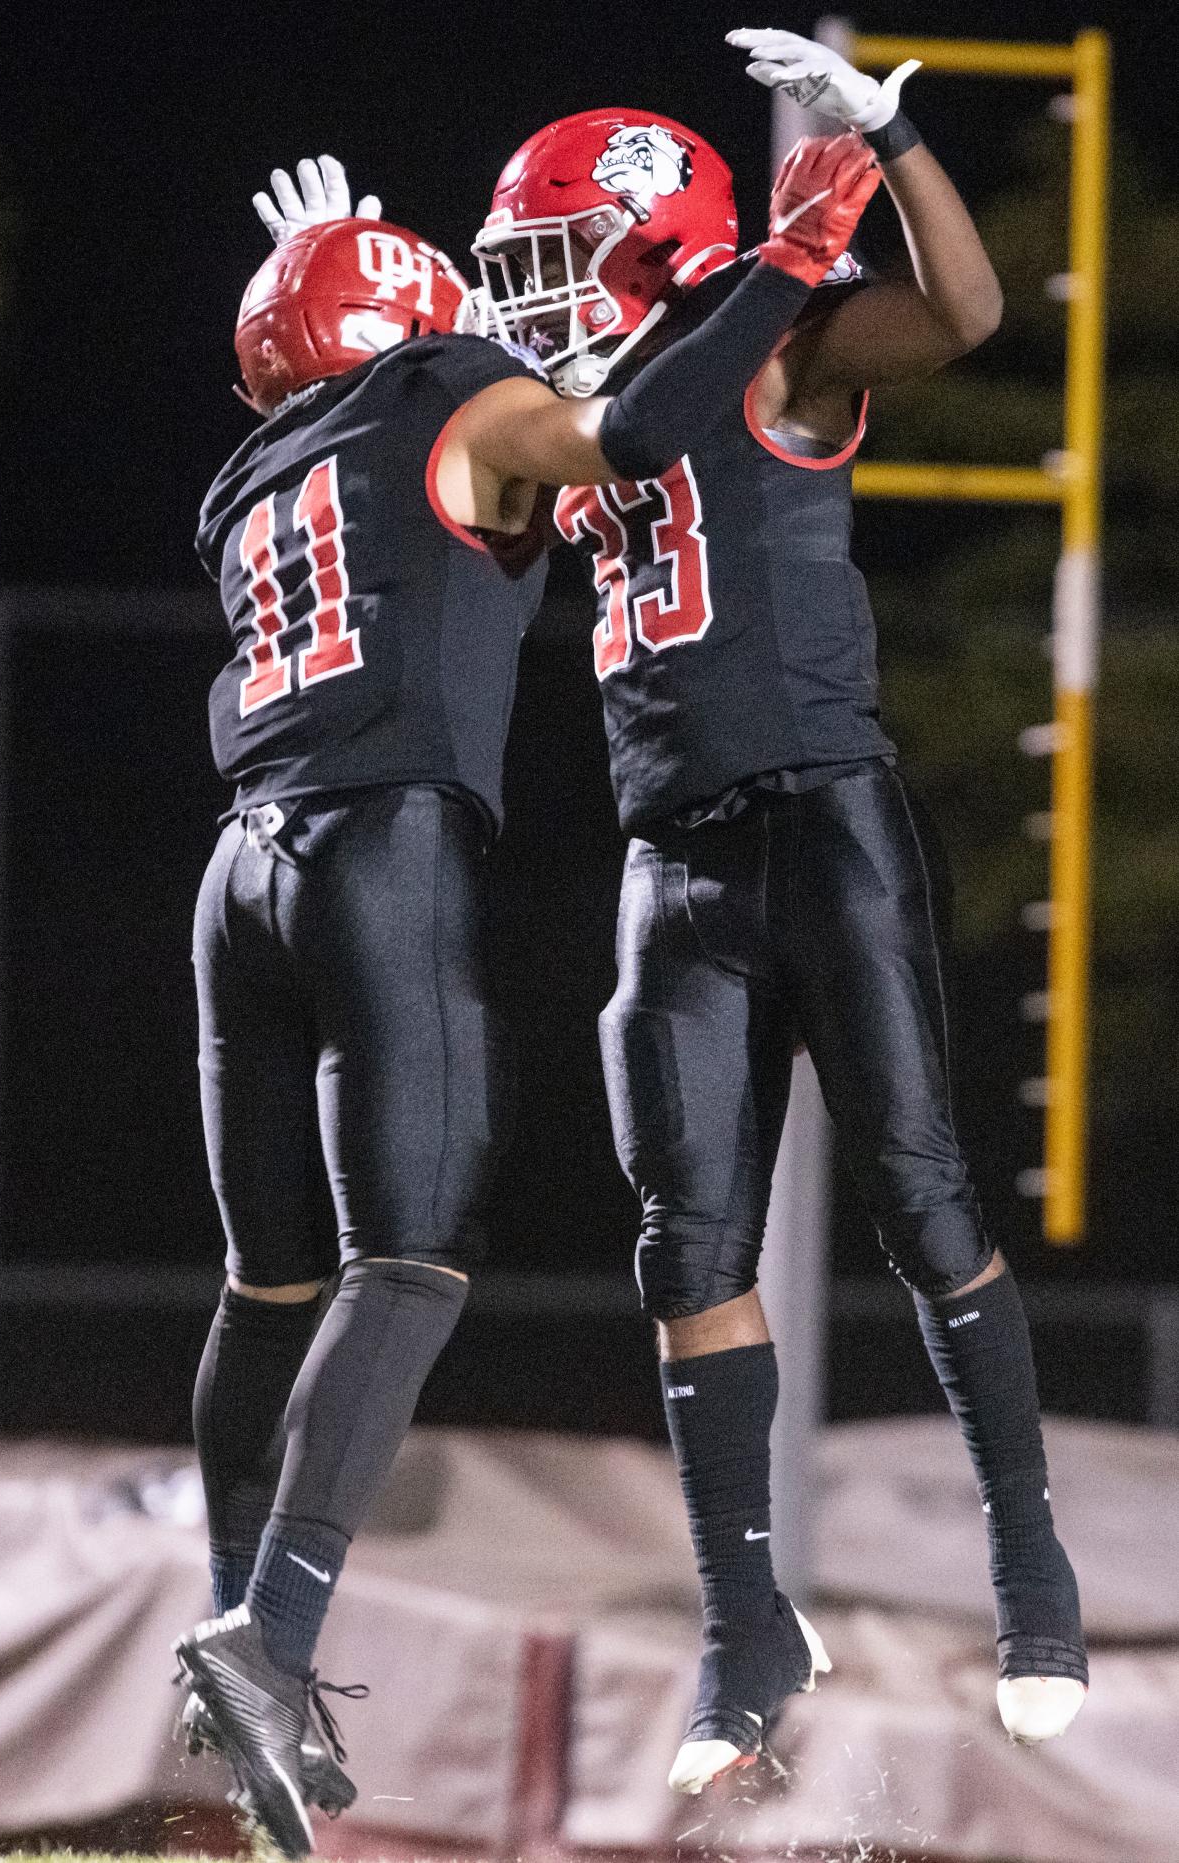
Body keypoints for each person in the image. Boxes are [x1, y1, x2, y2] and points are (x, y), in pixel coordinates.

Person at [174, 142, 880, 1858]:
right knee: (407, 1258)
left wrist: (343, 265)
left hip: (235, 877)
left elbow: (399, 423)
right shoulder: (451, 392)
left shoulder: (255, 470)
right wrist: (779, 272)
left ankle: (227, 1622)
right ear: (407, 321)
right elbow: (622, 434)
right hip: (374, 852)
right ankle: (269, 1639)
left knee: (267, 1286)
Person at [464, 29, 1088, 1790]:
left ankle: (1029, 1574)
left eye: (554, 248)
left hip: (823, 816)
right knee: (685, 1247)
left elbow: (962, 313)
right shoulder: (588, 411)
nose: (531, 289)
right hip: (672, 860)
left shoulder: (782, 334)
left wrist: (893, 148)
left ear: (654, 235)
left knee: (913, 1183)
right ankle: (746, 1630)